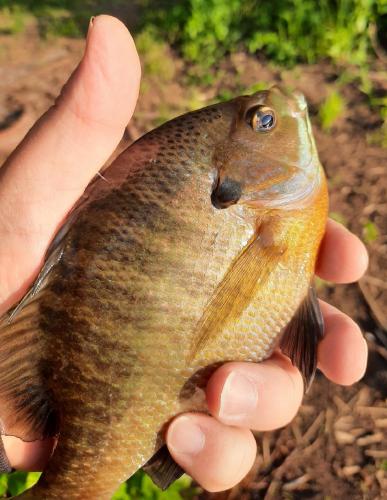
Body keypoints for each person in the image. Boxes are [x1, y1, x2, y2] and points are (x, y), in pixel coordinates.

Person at [0, 16, 368, 492]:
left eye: (264, 119)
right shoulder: (281, 220)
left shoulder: (276, 217)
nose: (285, 108)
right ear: (227, 182)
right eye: (263, 121)